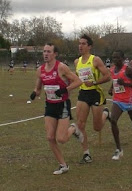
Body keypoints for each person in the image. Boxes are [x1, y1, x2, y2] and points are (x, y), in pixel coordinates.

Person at [29, 43, 83, 175]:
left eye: (48, 51)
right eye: (44, 51)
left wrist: (65, 89)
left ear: (55, 54)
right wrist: (35, 93)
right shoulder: (40, 70)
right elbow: (38, 88)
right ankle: (63, 165)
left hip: (62, 104)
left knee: (62, 139)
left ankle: (73, 128)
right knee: (50, 137)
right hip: (50, 105)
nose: (46, 54)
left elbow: (78, 81)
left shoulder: (61, 67)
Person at [74, 34, 111, 164]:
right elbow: (78, 78)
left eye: (83, 43)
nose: (80, 46)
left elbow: (108, 76)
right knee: (80, 124)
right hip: (83, 94)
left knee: (97, 128)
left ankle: (106, 114)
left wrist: (94, 82)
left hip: (95, 93)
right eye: (79, 43)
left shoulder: (95, 60)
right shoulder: (77, 62)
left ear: (89, 46)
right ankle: (86, 154)